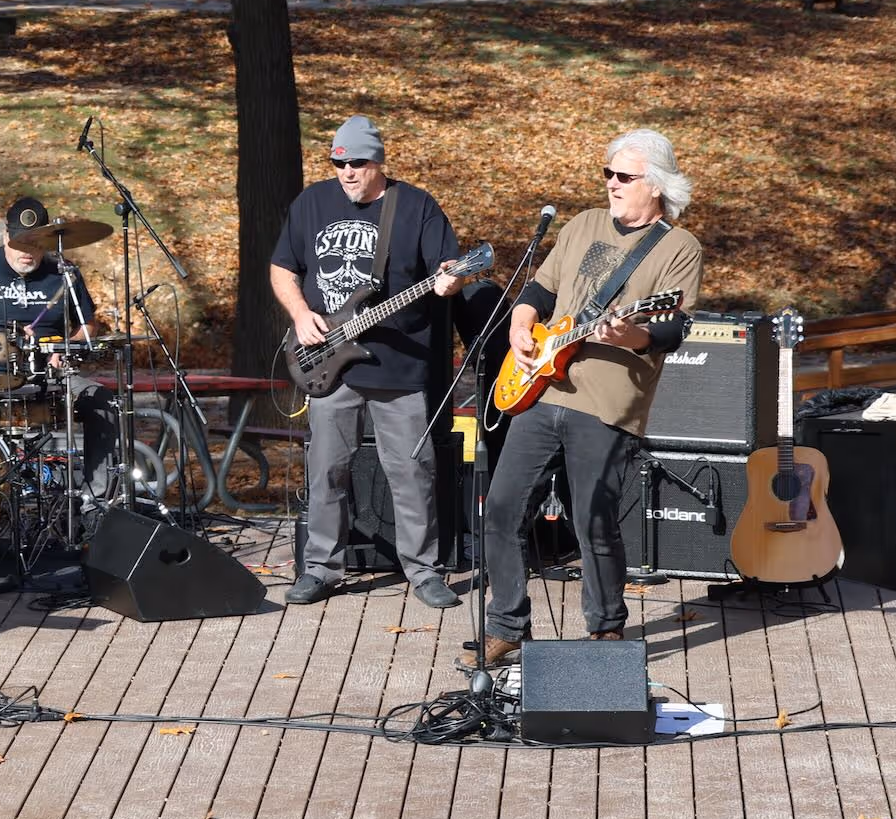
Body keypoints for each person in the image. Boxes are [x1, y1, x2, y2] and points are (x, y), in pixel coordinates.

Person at [465, 129, 703, 668]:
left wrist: (630, 335)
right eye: (608, 173)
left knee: (592, 516)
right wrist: (521, 327)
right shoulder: (582, 225)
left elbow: (671, 330)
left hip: (607, 404)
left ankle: (605, 630)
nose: (612, 184)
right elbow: (539, 290)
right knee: (501, 508)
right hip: (541, 389)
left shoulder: (678, 248)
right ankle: (507, 626)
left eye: (625, 176)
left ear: (658, 186)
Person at [271, 115, 466, 610]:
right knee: (327, 469)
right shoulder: (312, 202)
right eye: (339, 163)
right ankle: (319, 567)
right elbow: (281, 267)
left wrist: (451, 281)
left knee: (411, 470)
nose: (347, 172)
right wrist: (300, 315)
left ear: (379, 163)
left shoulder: (416, 206)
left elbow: (447, 270)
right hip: (328, 362)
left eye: (357, 163)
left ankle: (424, 571)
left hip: (398, 367)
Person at [0, 196, 117, 493]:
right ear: (6, 236)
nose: (28, 252)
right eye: (21, 243)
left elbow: (88, 324)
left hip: (52, 373)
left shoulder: (64, 273)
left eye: (36, 243)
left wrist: (67, 348)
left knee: (101, 400)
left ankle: (95, 497)